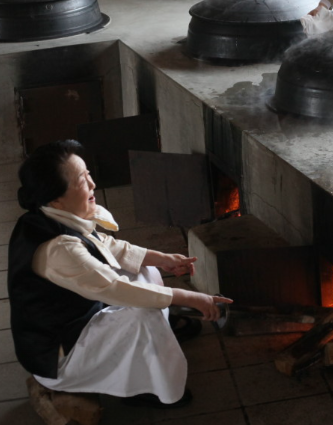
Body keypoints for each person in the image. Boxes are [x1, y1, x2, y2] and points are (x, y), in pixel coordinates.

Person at [8, 140, 232, 409]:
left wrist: (163, 260)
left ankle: (160, 334)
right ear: (56, 197)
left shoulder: (52, 215)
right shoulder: (58, 249)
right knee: (142, 315)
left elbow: (106, 247)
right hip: (61, 357)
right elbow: (115, 288)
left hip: (78, 319)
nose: (92, 184)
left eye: (88, 173)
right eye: (82, 180)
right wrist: (192, 298)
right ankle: (151, 389)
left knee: (141, 268)